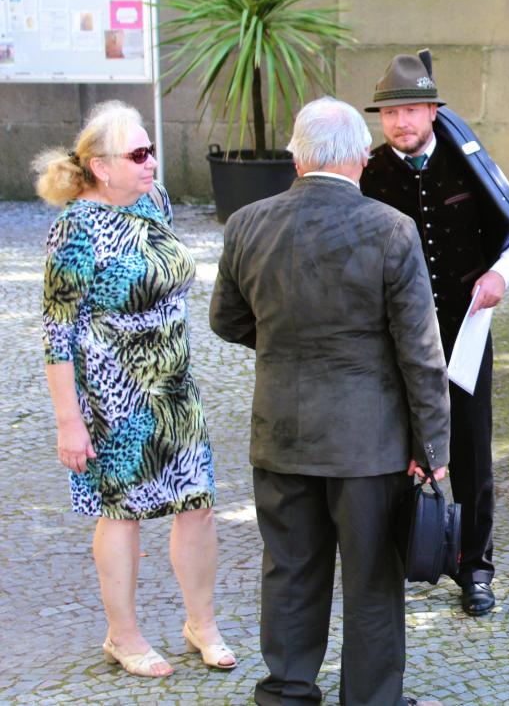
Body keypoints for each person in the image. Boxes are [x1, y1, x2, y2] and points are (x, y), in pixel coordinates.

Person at [209, 97, 450, 706]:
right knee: (371, 578)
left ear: (297, 156)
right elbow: (420, 351)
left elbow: (226, 320)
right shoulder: (392, 229)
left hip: (281, 432)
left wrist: (285, 344)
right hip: (367, 442)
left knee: (290, 571)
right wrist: (433, 446)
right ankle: (370, 699)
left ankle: (287, 692)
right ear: (362, 158)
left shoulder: (246, 224)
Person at [35, 100, 234, 678]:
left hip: (174, 386)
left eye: (152, 151)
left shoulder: (154, 200)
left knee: (197, 505)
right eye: (138, 154)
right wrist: (68, 421)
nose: (152, 163)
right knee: (122, 513)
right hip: (112, 396)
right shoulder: (74, 229)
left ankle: (202, 625)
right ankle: (122, 636)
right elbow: (56, 334)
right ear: (100, 167)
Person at [361, 52, 509, 617]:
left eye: (411, 110)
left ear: (433, 111)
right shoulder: (367, 173)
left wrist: (500, 275)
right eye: (391, 113)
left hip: (465, 334)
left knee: (471, 452)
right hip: (392, 340)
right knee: (391, 448)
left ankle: (475, 567)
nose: (400, 122)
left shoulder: (471, 163)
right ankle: (394, 561)